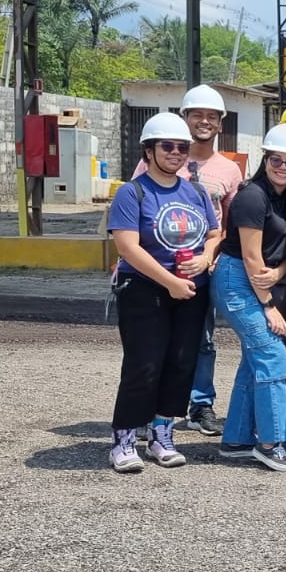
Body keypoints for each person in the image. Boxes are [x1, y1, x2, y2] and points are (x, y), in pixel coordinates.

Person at [103, 112, 222, 472]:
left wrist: (205, 257)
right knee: (143, 365)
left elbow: (215, 234)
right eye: (167, 146)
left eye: (182, 147)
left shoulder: (196, 192)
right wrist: (169, 281)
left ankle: (162, 434)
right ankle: (124, 440)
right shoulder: (132, 192)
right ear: (149, 150)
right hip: (145, 289)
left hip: (191, 290)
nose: (175, 153)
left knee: (181, 364)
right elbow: (127, 247)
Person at [211, 123, 286, 471]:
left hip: (262, 278)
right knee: (271, 353)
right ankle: (271, 443)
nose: (283, 167)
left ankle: (237, 439)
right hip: (237, 279)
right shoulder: (252, 196)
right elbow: (252, 258)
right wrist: (269, 306)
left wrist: (279, 273)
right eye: (276, 160)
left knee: (254, 358)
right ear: (265, 159)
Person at [176, 84, 246, 439]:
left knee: (203, 339)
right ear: (185, 118)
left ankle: (200, 405)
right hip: (162, 266)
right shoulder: (159, 158)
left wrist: (213, 257)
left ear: (220, 123)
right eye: (197, 115)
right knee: (158, 338)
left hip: (207, 267)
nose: (204, 122)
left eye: (211, 117)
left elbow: (233, 222)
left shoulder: (229, 170)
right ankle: (153, 408)